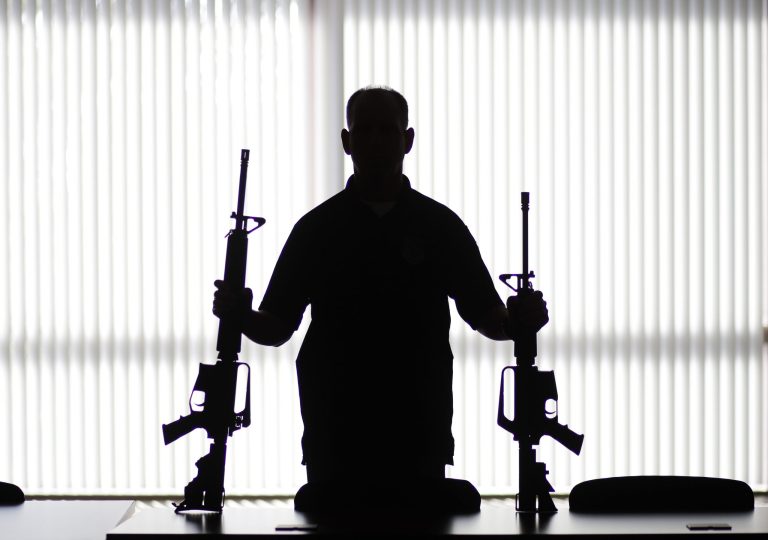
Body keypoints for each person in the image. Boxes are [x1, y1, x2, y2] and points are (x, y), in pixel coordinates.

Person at [212, 86, 548, 513]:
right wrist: (239, 316)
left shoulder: (439, 226)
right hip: (335, 433)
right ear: (346, 141)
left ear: (407, 140)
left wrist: (520, 322)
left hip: (418, 433)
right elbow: (276, 327)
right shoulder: (317, 229)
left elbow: (487, 317)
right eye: (364, 130)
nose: (375, 141)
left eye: (386, 131)